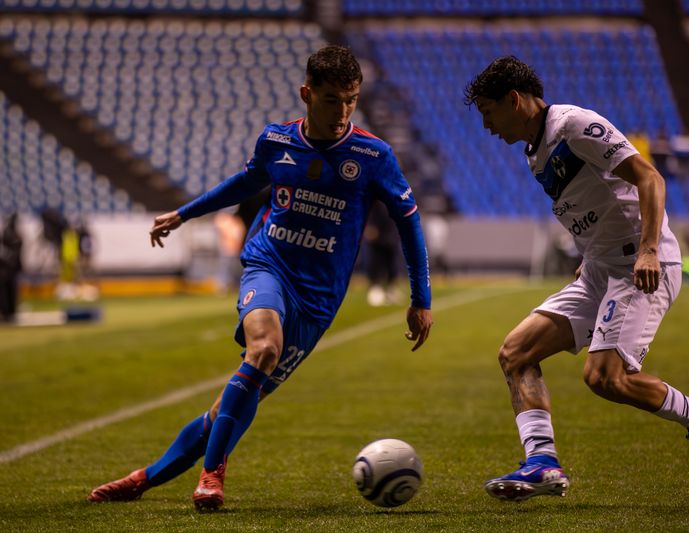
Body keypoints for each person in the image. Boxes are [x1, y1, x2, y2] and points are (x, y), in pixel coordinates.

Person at [88, 45, 433, 510]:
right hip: (269, 265)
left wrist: (421, 297)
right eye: (332, 99)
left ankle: (143, 480)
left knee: (228, 408)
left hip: (318, 300)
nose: (342, 111)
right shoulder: (276, 141)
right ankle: (212, 475)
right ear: (306, 94)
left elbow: (408, 221)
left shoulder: (373, 155)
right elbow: (246, 182)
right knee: (263, 348)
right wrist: (185, 214)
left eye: (351, 99)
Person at [463, 56, 689, 501]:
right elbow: (599, 201)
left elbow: (649, 178)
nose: (487, 126)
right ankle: (542, 464)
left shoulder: (574, 125)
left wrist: (646, 250)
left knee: (604, 377)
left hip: (641, 268)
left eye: (488, 112)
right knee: (515, 353)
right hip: (600, 268)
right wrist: (589, 254)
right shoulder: (534, 151)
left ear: (514, 99)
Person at [0, 212, 23, 322]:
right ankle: (7, 312)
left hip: (10, 269)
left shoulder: (12, 232)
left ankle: (10, 312)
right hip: (5, 270)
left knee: (10, 291)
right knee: (5, 292)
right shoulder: (8, 232)